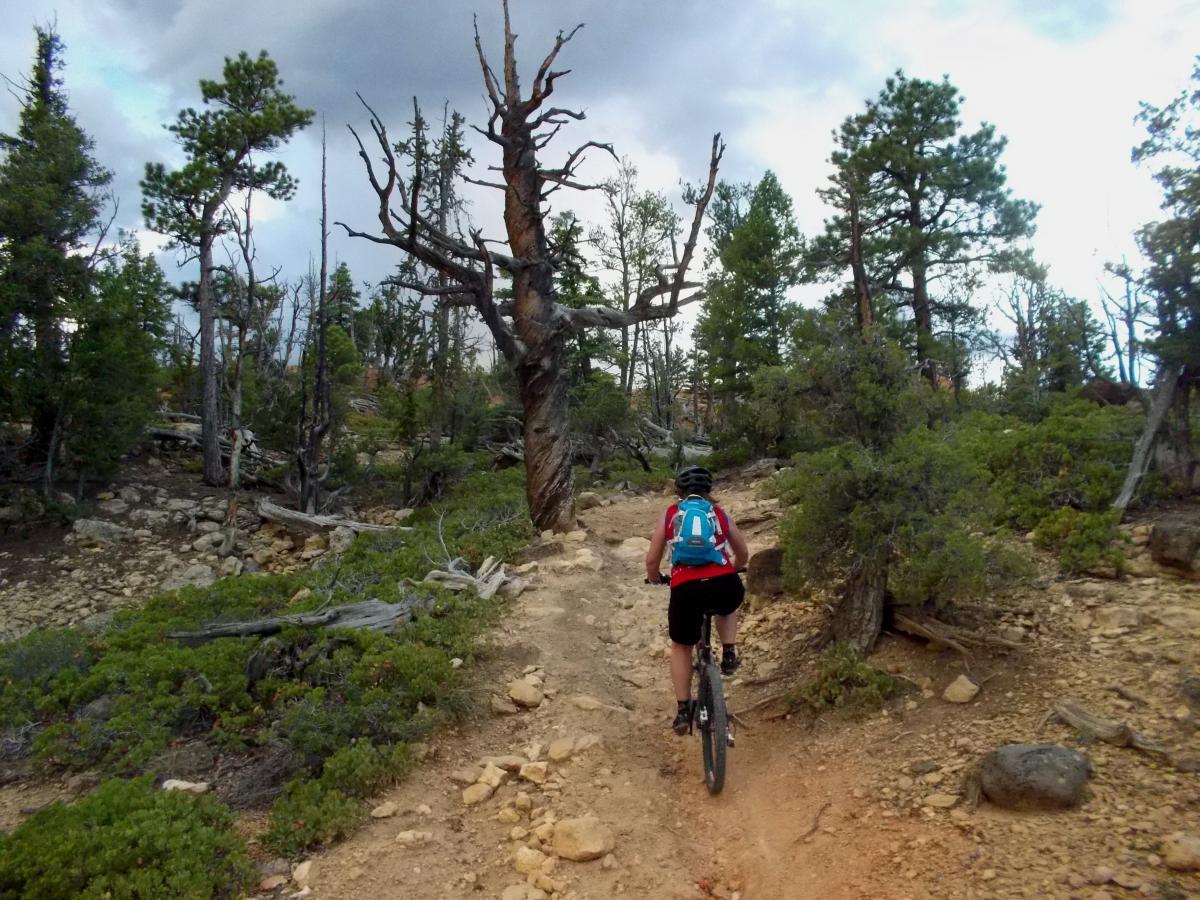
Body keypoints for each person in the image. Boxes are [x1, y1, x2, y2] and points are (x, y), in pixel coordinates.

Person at [645, 465, 749, 736]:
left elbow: (652, 558)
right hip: (723, 582)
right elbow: (743, 552)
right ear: (708, 491)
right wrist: (735, 568)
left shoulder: (671, 515)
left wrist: (655, 578)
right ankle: (728, 652)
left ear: (678, 491)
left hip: (685, 588)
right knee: (729, 604)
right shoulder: (718, 514)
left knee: (681, 646)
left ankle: (682, 711)